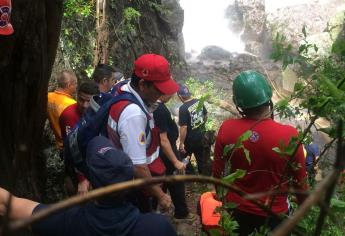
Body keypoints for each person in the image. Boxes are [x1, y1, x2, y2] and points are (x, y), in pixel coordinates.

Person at [0, 136, 177, 236]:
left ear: (90, 182)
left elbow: (8, 205)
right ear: (132, 182)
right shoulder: (158, 227)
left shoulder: (67, 222)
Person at [212, 70, 308, 235]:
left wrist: (224, 201)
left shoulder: (226, 128)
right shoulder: (289, 134)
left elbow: (217, 174)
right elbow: (300, 182)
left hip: (237, 210)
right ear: (268, 99)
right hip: (273, 213)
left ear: (239, 105)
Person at [106, 53, 179, 212]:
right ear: (143, 84)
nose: (161, 95)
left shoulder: (123, 87)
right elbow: (138, 167)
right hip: (136, 187)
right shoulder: (134, 115)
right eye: (159, 89)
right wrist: (161, 196)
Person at [153, 94, 194, 221]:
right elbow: (163, 140)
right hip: (166, 152)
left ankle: (157, 211)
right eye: (170, 93)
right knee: (176, 180)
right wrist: (175, 161)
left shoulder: (156, 106)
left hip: (162, 151)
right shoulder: (159, 109)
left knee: (163, 179)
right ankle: (180, 213)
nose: (171, 96)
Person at [59, 81, 99, 195]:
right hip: (75, 164)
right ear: (77, 96)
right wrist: (82, 179)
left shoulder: (99, 111)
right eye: (81, 100)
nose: (84, 105)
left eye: (89, 101)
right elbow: (73, 148)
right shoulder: (69, 115)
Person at [177, 84, 209, 175]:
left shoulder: (183, 108)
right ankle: (204, 178)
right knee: (201, 159)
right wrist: (201, 126)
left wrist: (181, 143)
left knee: (185, 157)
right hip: (202, 136)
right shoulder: (199, 101)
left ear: (180, 96)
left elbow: (184, 127)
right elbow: (206, 115)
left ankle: (190, 175)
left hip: (190, 140)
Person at [47, 70, 78, 151]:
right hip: (68, 147)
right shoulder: (72, 105)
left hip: (57, 143)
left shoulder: (48, 97)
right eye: (75, 84)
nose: (76, 87)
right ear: (68, 85)